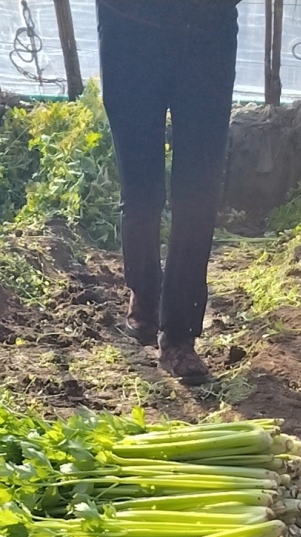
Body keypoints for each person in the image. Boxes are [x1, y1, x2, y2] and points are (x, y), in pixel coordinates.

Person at [96, 0, 239, 386]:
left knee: (197, 194)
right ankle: (145, 293)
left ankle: (179, 335)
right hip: (129, 28)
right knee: (141, 192)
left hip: (208, 33)